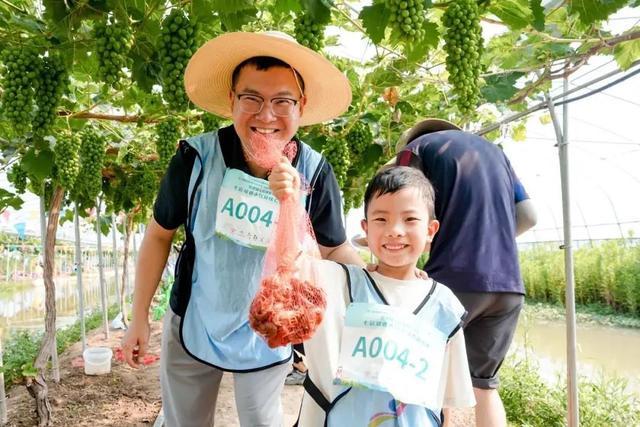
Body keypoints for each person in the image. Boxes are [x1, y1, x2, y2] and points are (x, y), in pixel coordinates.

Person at [121, 31, 365, 427]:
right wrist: (138, 318)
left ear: (301, 106)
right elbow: (158, 235)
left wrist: (387, 285)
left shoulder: (315, 171)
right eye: (251, 99)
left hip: (270, 327)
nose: (266, 115)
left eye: (282, 101)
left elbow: (336, 249)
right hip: (196, 318)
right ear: (232, 101)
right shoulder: (195, 158)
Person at [268, 162, 476, 426]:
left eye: (410, 219)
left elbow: (446, 397)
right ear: (366, 228)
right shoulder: (338, 282)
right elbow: (292, 260)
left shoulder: (444, 306)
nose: (395, 230)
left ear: (430, 230)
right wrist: (290, 204)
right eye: (381, 219)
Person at [393, 118, 537, 427]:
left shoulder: (415, 150)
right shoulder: (496, 153)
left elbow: (400, 204)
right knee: (485, 386)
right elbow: (529, 216)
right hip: (508, 285)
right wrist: (489, 240)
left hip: (453, 280)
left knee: (421, 377)